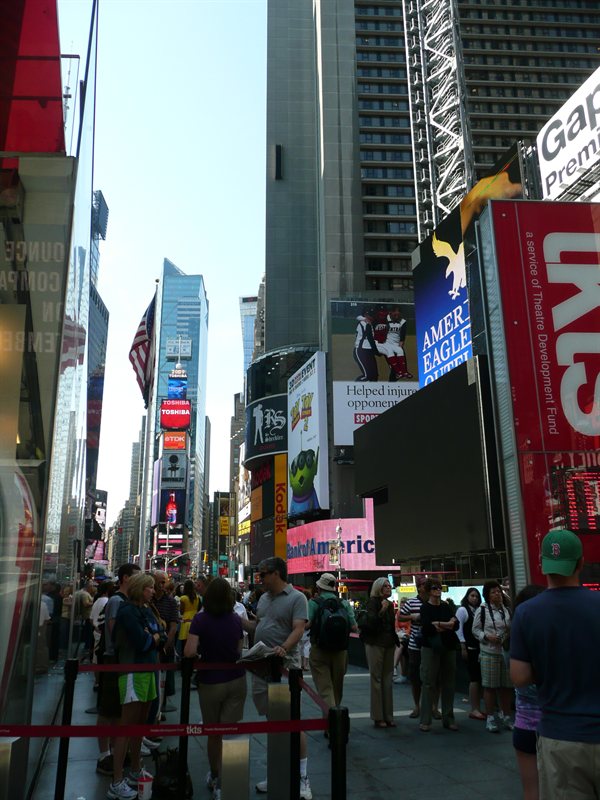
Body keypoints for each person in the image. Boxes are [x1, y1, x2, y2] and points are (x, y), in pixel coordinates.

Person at [511, 529, 600, 799]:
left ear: (542, 564)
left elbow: (519, 677)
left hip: (561, 736)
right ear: (581, 563)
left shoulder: (527, 612)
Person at [240, 556, 311, 800]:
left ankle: (302, 777)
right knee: (273, 722)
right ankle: (278, 774)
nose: (259, 578)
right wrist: (234, 618)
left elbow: (298, 628)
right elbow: (256, 626)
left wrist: (283, 647)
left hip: (284, 668)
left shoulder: (297, 598)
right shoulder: (263, 599)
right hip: (261, 666)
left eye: (263, 573)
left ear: (277, 573)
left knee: (292, 721)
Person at [184, 577, 247, 800]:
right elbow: (239, 649)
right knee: (230, 732)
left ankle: (215, 775)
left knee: (213, 733)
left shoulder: (200, 620)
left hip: (210, 681)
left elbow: (189, 651)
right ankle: (226, 782)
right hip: (236, 680)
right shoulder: (236, 620)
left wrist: (202, 654)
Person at [108, 573, 163, 800]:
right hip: (132, 671)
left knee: (140, 724)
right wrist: (153, 637)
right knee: (127, 725)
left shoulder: (146, 610)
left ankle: (133, 769)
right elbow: (144, 641)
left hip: (148, 671)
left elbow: (157, 633)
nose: (153, 591)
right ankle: (116, 780)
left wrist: (154, 636)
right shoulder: (127, 611)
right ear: (140, 588)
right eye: (150, 588)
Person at [96, 563, 141, 777]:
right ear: (124, 578)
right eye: (136, 576)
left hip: (124, 661)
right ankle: (104, 754)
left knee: (117, 709)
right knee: (108, 708)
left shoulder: (128, 601)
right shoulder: (116, 600)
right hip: (114, 659)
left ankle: (115, 751)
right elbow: (115, 633)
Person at [511, 584, 545, 800]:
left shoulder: (514, 641)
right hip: (556, 726)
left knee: (531, 791)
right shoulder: (551, 641)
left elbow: (519, 680)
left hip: (524, 724)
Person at [307, 573, 357, 709]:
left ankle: (331, 723)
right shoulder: (344, 604)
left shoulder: (313, 603)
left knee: (325, 689)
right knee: (337, 688)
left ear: (319, 587)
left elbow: (307, 624)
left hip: (319, 649)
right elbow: (354, 627)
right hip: (341, 651)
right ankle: (337, 720)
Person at [418, 578, 459, 732]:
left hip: (448, 646)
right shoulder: (425, 608)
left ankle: (448, 718)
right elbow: (427, 628)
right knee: (428, 682)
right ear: (429, 591)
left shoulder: (446, 606)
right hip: (431, 647)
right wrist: (446, 624)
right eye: (434, 588)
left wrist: (438, 624)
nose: (438, 590)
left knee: (449, 682)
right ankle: (425, 719)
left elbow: (455, 625)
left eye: (439, 588)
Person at [472, 579, 513, 733]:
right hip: (488, 652)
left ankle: (507, 716)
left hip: (505, 652)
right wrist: (487, 637)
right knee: (490, 686)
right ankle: (490, 717)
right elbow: (475, 630)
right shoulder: (482, 610)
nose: (497, 594)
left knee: (506, 687)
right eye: (493, 592)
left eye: (498, 591)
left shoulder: (506, 609)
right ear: (487, 595)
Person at [361, 577, 397, 728]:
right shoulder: (373, 603)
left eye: (389, 586)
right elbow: (370, 623)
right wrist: (382, 609)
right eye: (385, 586)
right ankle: (378, 716)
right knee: (376, 679)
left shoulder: (389, 604)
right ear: (379, 588)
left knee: (387, 680)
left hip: (389, 643)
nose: (389, 588)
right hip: (375, 643)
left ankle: (388, 715)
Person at [397, 578, 432, 719]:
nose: (426, 587)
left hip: (431, 644)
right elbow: (401, 616)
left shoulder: (434, 602)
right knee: (416, 678)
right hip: (415, 645)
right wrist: (412, 616)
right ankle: (417, 706)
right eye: (423, 585)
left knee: (433, 678)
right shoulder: (412, 602)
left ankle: (434, 706)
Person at [456, 586, 485, 720]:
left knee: (479, 679)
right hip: (470, 648)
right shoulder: (463, 610)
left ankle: (478, 707)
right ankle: (474, 708)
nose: (474, 598)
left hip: (480, 649)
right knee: (474, 678)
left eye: (477, 596)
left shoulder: (478, 610)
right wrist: (463, 646)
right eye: (472, 596)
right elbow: (458, 629)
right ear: (467, 597)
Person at [353, 308, 380, 382]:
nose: (372, 317)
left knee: (374, 376)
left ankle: (372, 390)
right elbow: (371, 339)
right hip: (361, 351)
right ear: (365, 315)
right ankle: (356, 388)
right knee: (368, 376)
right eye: (370, 315)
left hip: (369, 351)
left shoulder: (369, 322)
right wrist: (376, 352)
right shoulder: (365, 323)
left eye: (372, 315)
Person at [177, 579, 200, 658]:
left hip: (185, 622)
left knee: (184, 645)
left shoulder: (183, 598)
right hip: (194, 622)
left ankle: (185, 664)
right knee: (193, 645)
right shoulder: (197, 598)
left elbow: (182, 611)